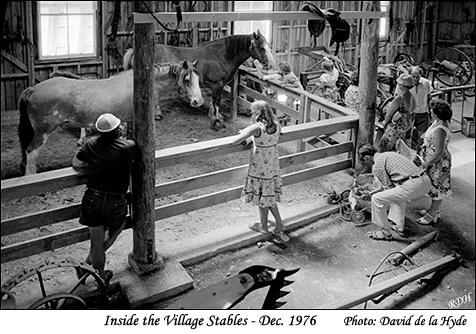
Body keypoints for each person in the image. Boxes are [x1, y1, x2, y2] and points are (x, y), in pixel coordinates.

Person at [72, 113, 137, 285]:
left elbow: (76, 164)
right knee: (118, 228)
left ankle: (98, 274)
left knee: (96, 240)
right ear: (117, 130)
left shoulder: (90, 144)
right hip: (115, 200)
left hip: (92, 198)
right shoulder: (128, 146)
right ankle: (88, 267)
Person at [230, 100, 289, 242]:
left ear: (256, 113)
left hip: (259, 168)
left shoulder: (256, 128)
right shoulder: (276, 125)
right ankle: (279, 225)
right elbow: (268, 139)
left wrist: (245, 133)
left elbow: (234, 141)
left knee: (264, 196)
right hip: (272, 167)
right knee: (268, 196)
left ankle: (264, 226)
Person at [357, 143, 431, 240]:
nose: (366, 164)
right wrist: (373, 191)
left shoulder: (378, 164)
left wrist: (370, 195)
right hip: (425, 181)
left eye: (364, 161)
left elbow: (388, 188)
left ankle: (385, 232)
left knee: (376, 199)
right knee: (397, 195)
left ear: (367, 158)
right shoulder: (389, 154)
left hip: (412, 185)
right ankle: (399, 227)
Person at [416, 99, 453, 225]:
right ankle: (434, 210)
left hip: (437, 163)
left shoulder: (440, 129)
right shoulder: (438, 122)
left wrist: (426, 163)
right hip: (432, 159)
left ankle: (432, 215)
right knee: (432, 186)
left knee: (437, 188)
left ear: (436, 114)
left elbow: (438, 153)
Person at [377, 73, 417, 152]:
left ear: (402, 85)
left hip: (397, 130)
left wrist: (384, 123)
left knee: (386, 149)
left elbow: (389, 114)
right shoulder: (413, 98)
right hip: (408, 128)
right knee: (403, 151)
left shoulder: (399, 98)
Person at [410, 66, 434, 151]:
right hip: (410, 114)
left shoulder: (426, 83)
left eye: (417, 77)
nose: (415, 79)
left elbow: (429, 98)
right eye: (413, 76)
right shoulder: (405, 83)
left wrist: (431, 114)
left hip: (423, 114)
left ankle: (418, 157)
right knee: (407, 139)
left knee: (422, 139)